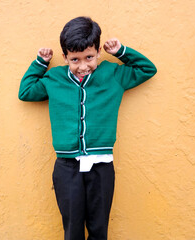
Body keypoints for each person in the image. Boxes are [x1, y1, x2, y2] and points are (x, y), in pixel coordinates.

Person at [18, 16, 157, 240]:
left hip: (101, 167)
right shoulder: (54, 78)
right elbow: (26, 92)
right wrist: (40, 64)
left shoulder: (113, 75)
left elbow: (147, 69)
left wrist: (122, 52)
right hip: (66, 167)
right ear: (64, 57)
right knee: (72, 228)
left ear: (99, 51)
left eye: (89, 57)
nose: (83, 66)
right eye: (75, 59)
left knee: (99, 227)